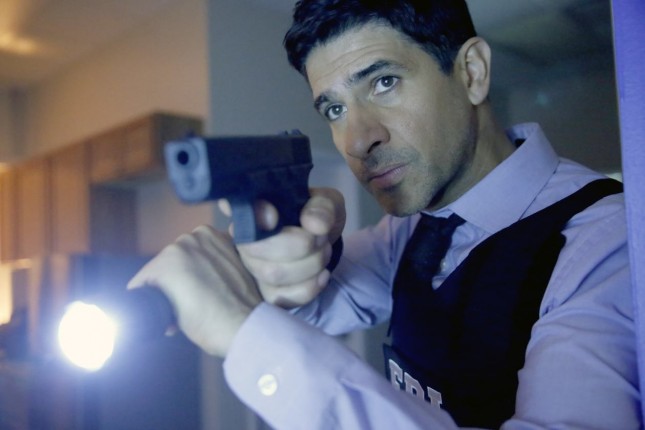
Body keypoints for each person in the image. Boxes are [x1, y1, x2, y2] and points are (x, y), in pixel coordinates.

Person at [129, 0, 641, 428]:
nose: (357, 140)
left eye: (384, 82)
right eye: (334, 109)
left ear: (472, 72)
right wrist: (289, 256)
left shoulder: (610, 244)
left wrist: (244, 332)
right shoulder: (413, 228)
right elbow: (318, 302)